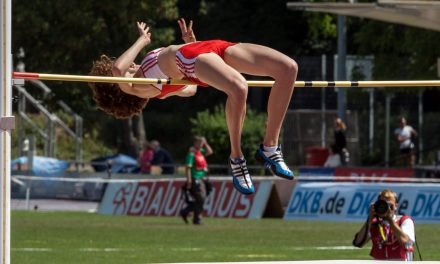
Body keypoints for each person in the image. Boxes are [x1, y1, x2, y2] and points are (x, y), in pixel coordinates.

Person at [89, 18, 298, 195]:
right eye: (127, 68)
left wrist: (192, 45)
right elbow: (117, 69)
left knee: (288, 69)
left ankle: (270, 147)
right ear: (118, 89)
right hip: (191, 57)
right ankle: (236, 157)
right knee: (239, 88)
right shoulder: (135, 87)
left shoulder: (159, 87)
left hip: (207, 49)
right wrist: (142, 40)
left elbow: (191, 90)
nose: (129, 65)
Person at [352, 189, 415, 261]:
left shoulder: (404, 221)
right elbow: (358, 243)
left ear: (396, 206)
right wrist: (369, 220)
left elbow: (405, 241)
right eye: (383, 204)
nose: (386, 207)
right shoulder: (374, 223)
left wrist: (390, 221)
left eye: (389, 205)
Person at [180, 136, 213, 225]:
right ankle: (196, 218)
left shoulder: (200, 152)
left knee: (201, 199)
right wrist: (189, 180)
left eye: (202, 143)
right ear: (195, 143)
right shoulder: (192, 154)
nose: (201, 144)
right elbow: (188, 168)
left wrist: (205, 143)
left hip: (202, 178)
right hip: (195, 178)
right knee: (201, 198)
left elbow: (210, 152)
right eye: (199, 142)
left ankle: (187, 212)